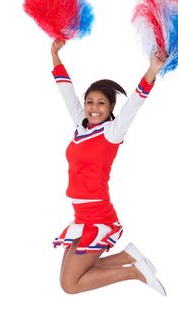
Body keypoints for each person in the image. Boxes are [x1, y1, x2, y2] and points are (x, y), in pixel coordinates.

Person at [51, 39, 167, 296]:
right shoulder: (81, 127)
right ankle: (129, 255)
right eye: (90, 102)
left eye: (101, 103)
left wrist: (152, 71)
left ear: (110, 107)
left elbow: (135, 104)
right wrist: (54, 54)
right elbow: (66, 91)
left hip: (97, 215)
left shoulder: (112, 132)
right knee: (71, 276)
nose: (94, 108)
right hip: (81, 215)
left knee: (70, 285)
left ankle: (135, 272)